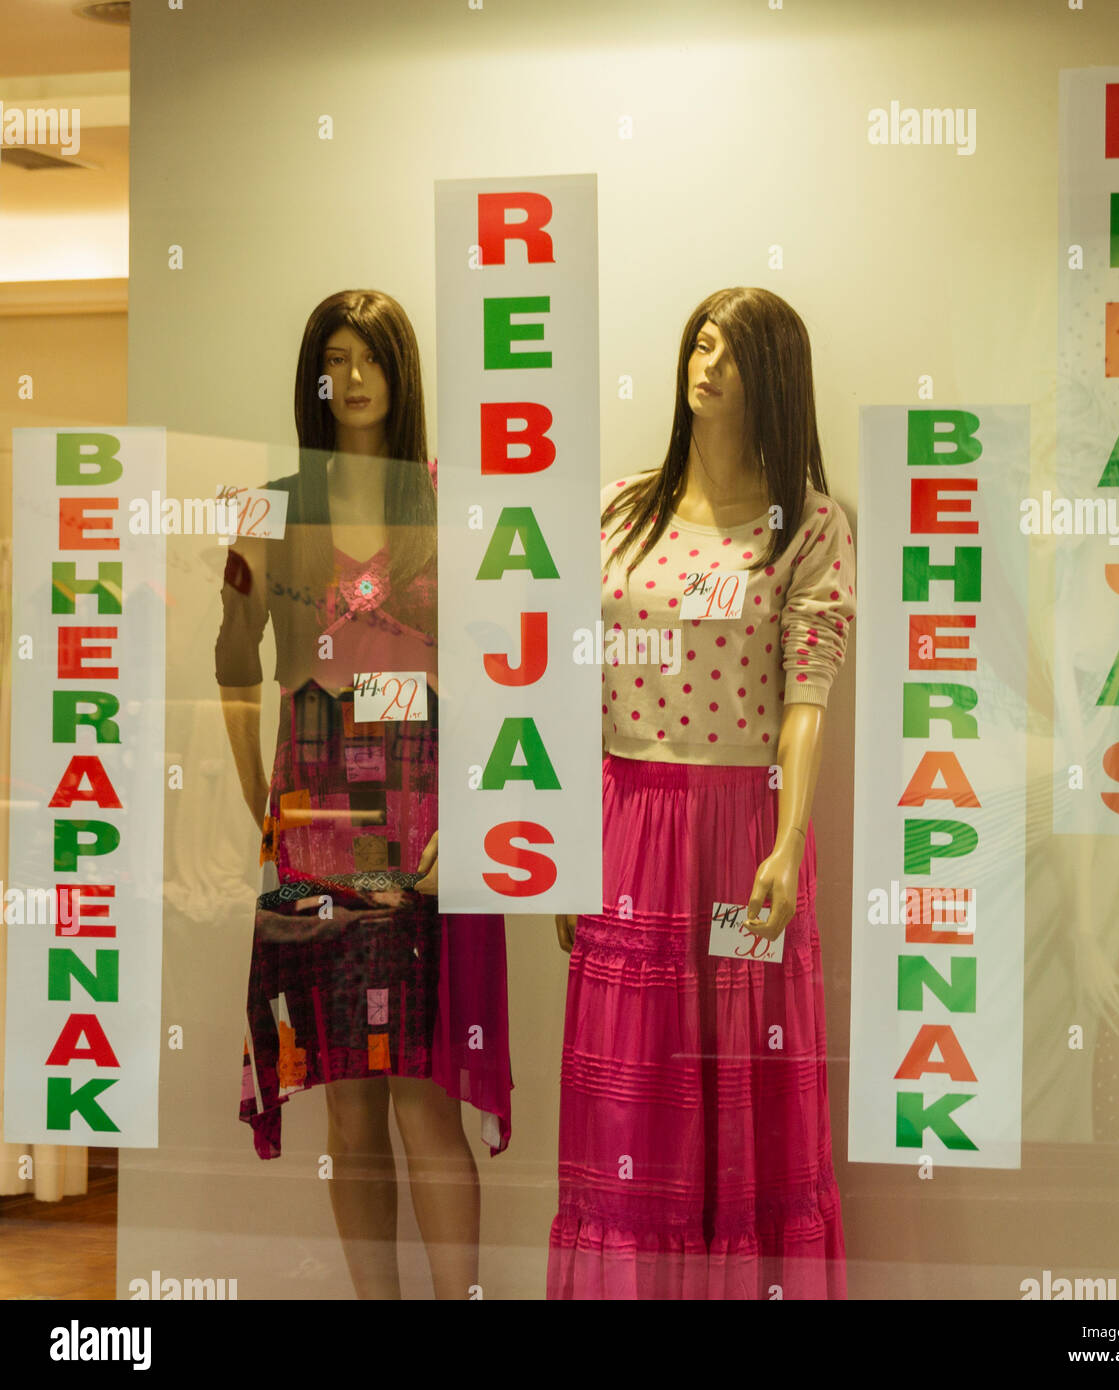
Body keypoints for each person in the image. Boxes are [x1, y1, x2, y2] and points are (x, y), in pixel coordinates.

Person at [550, 286, 853, 1299]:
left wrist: (784, 836)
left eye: (728, 348)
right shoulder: (619, 508)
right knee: (633, 1091)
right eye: (697, 341)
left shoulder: (805, 525)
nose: (705, 362)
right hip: (625, 824)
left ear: (773, 375)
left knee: (741, 1075)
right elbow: (571, 679)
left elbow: (805, 695)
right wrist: (557, 839)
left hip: (744, 837)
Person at [215, 289, 510, 1300]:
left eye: (368, 355)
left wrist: (475, 810)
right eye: (331, 358)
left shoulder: (445, 500)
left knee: (425, 1096)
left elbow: (502, 671)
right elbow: (232, 664)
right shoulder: (271, 505)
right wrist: (261, 797)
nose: (349, 375)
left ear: (399, 369)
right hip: (314, 840)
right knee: (346, 1102)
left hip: (420, 834)